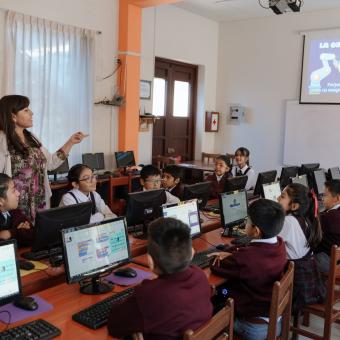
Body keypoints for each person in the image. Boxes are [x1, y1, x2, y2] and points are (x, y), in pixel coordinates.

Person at [107, 217, 213, 339]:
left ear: (150, 261)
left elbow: (114, 326)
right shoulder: (199, 275)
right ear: (191, 253)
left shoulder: (149, 296)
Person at [0, 95, 87, 220]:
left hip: (39, 202)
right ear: (13, 116)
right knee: (20, 236)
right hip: (16, 207)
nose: (31, 113)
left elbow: (51, 163)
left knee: (39, 236)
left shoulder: (32, 138)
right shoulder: (2, 140)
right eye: (25, 110)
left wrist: (71, 142)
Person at [209, 199, 286, 340]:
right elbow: (247, 251)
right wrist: (232, 252)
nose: (245, 223)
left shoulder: (247, 259)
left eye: (248, 221)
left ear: (256, 231)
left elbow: (215, 265)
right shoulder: (279, 244)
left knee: (210, 306)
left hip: (251, 327)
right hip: (274, 320)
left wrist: (223, 255)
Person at [277, 183, 325, 313]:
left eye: (282, 196)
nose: (277, 198)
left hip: (296, 284)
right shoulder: (304, 218)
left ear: (294, 206)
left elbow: (268, 241)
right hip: (306, 278)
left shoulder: (288, 222)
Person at [0, 173, 33, 247]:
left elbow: (31, 234)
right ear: (1, 201)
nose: (18, 193)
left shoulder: (14, 212)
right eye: (13, 190)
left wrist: (10, 233)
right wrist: (19, 232)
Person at [315, 180, 340, 273]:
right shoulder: (332, 214)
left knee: (300, 263)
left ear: (337, 198)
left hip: (331, 263)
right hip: (336, 260)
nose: (322, 199)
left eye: (325, 195)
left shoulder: (330, 217)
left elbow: (313, 221)